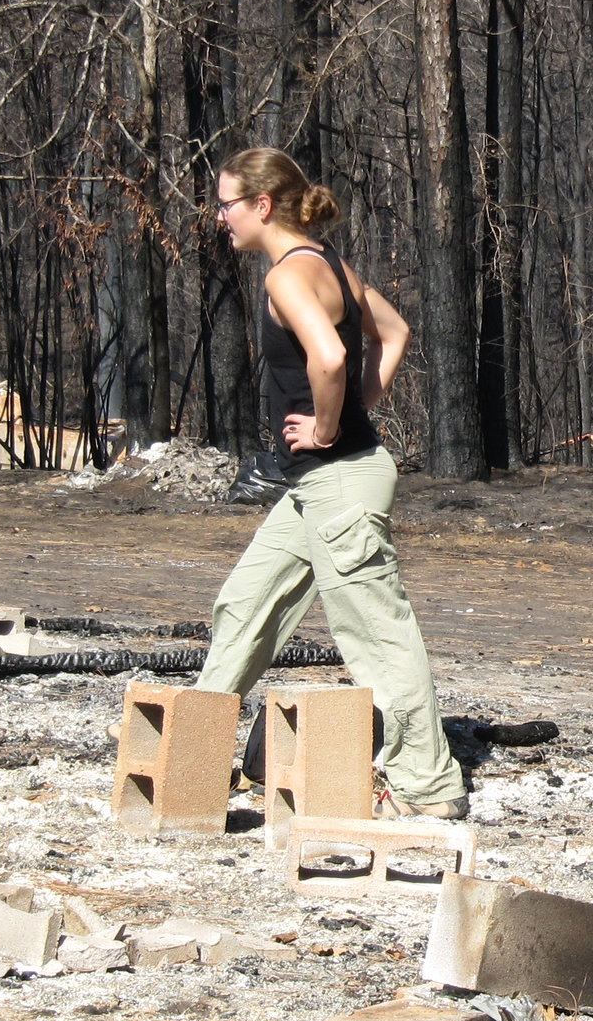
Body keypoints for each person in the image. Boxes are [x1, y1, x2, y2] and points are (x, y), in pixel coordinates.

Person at [191, 147, 468, 818]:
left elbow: (333, 354)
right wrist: (355, 407)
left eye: (226, 204)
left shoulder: (288, 275)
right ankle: (191, 754)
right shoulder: (327, 263)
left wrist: (326, 422)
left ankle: (429, 788)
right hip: (315, 486)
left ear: (261, 206)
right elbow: (394, 333)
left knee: (376, 636)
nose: (219, 216)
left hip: (339, 480)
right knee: (245, 606)